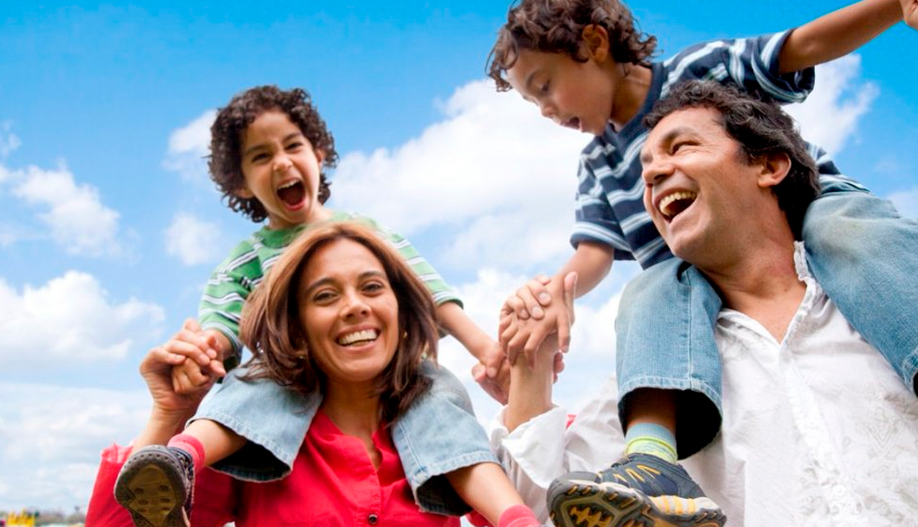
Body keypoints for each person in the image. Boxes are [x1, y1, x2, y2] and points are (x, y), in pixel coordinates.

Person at [483, 0, 918, 520]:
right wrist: (553, 296)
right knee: (653, 285)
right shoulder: (598, 164)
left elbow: (800, 45)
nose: (547, 110)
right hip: (686, 279)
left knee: (843, 231)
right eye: (534, 103)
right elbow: (594, 250)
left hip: (817, 209)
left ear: (594, 46)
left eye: (544, 86)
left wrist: (893, 7)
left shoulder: (699, 71)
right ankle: (650, 461)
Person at [88, 222, 541, 527]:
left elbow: (522, 501)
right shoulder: (252, 435)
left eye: (371, 287)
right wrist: (168, 416)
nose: (355, 306)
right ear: (298, 329)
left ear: (402, 312)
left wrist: (530, 363)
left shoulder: (442, 430)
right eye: (325, 296)